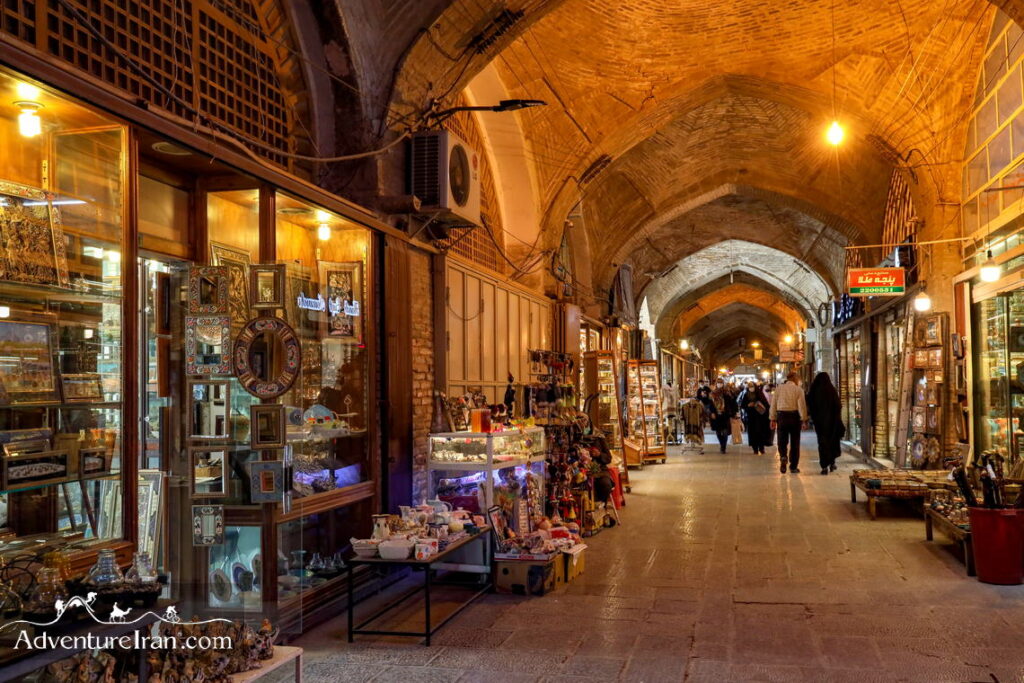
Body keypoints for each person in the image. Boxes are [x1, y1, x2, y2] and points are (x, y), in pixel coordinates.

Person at [806, 371, 845, 475]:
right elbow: (838, 405)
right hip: (832, 422)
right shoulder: (832, 390)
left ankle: (824, 466)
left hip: (820, 423)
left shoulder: (814, 390)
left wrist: (813, 417)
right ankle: (832, 462)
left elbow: (810, 405)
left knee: (822, 443)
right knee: (832, 441)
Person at [769, 371, 808, 473]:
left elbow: (773, 404)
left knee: (782, 440)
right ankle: (793, 466)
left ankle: (783, 456)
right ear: (795, 379)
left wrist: (772, 418)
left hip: (781, 416)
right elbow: (801, 406)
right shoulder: (798, 390)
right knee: (795, 442)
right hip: (794, 417)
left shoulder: (778, 389)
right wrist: (804, 420)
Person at [738, 380, 771, 455]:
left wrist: (757, 404)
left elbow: (766, 404)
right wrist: (748, 405)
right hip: (751, 417)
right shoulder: (746, 395)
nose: (751, 388)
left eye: (752, 386)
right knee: (753, 433)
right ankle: (755, 448)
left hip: (760, 416)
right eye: (749, 387)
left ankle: (761, 448)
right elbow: (743, 405)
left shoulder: (759, 394)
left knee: (760, 432)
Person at [705, 379, 734, 453]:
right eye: (718, 383)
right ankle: (721, 444)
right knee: (718, 431)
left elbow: (731, 403)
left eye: (721, 383)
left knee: (725, 431)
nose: (719, 384)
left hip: (725, 414)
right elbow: (710, 404)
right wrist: (712, 412)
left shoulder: (727, 393)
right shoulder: (712, 393)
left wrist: (733, 412)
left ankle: (723, 446)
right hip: (716, 414)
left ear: (723, 384)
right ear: (716, 384)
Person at [661, 379, 680, 444]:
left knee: (669, 422)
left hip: (666, 408)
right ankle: (670, 433)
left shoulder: (663, 388)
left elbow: (661, 397)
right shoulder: (675, 388)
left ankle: (669, 434)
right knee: (670, 422)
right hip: (673, 408)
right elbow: (678, 397)